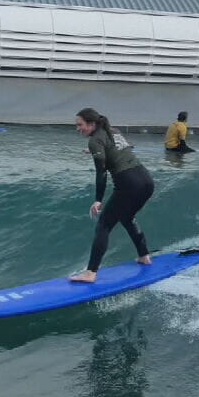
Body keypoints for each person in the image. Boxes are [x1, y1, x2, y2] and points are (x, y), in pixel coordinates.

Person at [69, 107, 154, 283]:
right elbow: (123, 148)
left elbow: (101, 173)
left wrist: (98, 200)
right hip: (146, 181)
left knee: (103, 225)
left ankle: (90, 273)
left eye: (80, 125)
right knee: (127, 218)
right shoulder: (112, 131)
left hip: (128, 184)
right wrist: (95, 153)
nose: (78, 128)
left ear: (91, 124)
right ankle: (144, 256)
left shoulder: (95, 141)